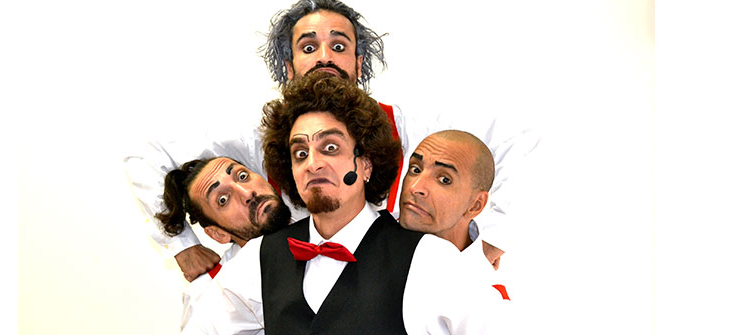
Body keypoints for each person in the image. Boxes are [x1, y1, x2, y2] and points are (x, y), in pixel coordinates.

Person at [177, 73, 552, 335]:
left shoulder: (426, 259)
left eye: (330, 148)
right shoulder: (261, 257)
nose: (313, 163)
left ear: (366, 163)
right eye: (300, 153)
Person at [124, 0, 539, 282]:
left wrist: (492, 238)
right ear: (289, 66)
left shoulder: (406, 127)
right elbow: (145, 155)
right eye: (309, 47)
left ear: (358, 63)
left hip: (395, 323)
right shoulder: (256, 138)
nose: (324, 56)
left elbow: (517, 135)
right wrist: (180, 246)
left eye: (338, 46)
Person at [156, 156, 290, 335]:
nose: (246, 193)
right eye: (223, 200)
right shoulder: (209, 289)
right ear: (217, 233)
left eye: (242, 176)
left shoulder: (324, 229)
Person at [400, 129, 514, 335]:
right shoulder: (378, 246)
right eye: (415, 169)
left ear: (475, 205)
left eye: (444, 179)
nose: (417, 187)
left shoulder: (482, 291)